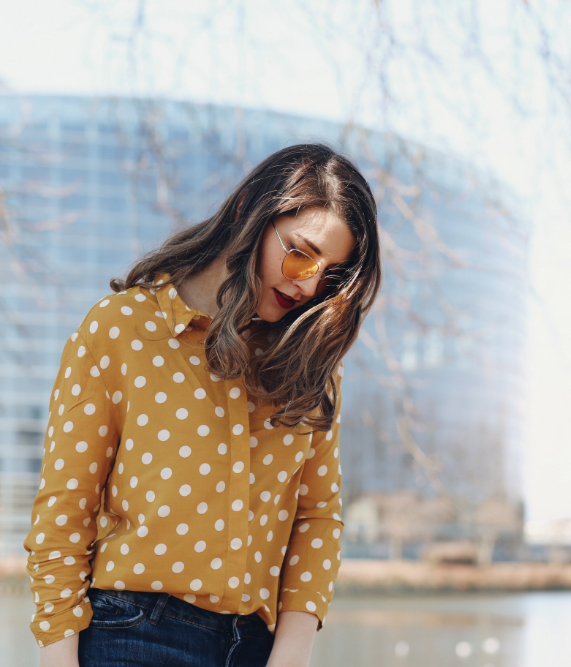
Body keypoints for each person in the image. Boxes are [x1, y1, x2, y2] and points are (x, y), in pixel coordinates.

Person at [24, 143, 382, 667]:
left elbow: (317, 515)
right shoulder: (121, 330)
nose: (308, 284)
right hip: (134, 638)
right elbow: (64, 512)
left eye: (330, 276)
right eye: (301, 252)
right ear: (249, 216)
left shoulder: (308, 364)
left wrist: (292, 651)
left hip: (258, 648)